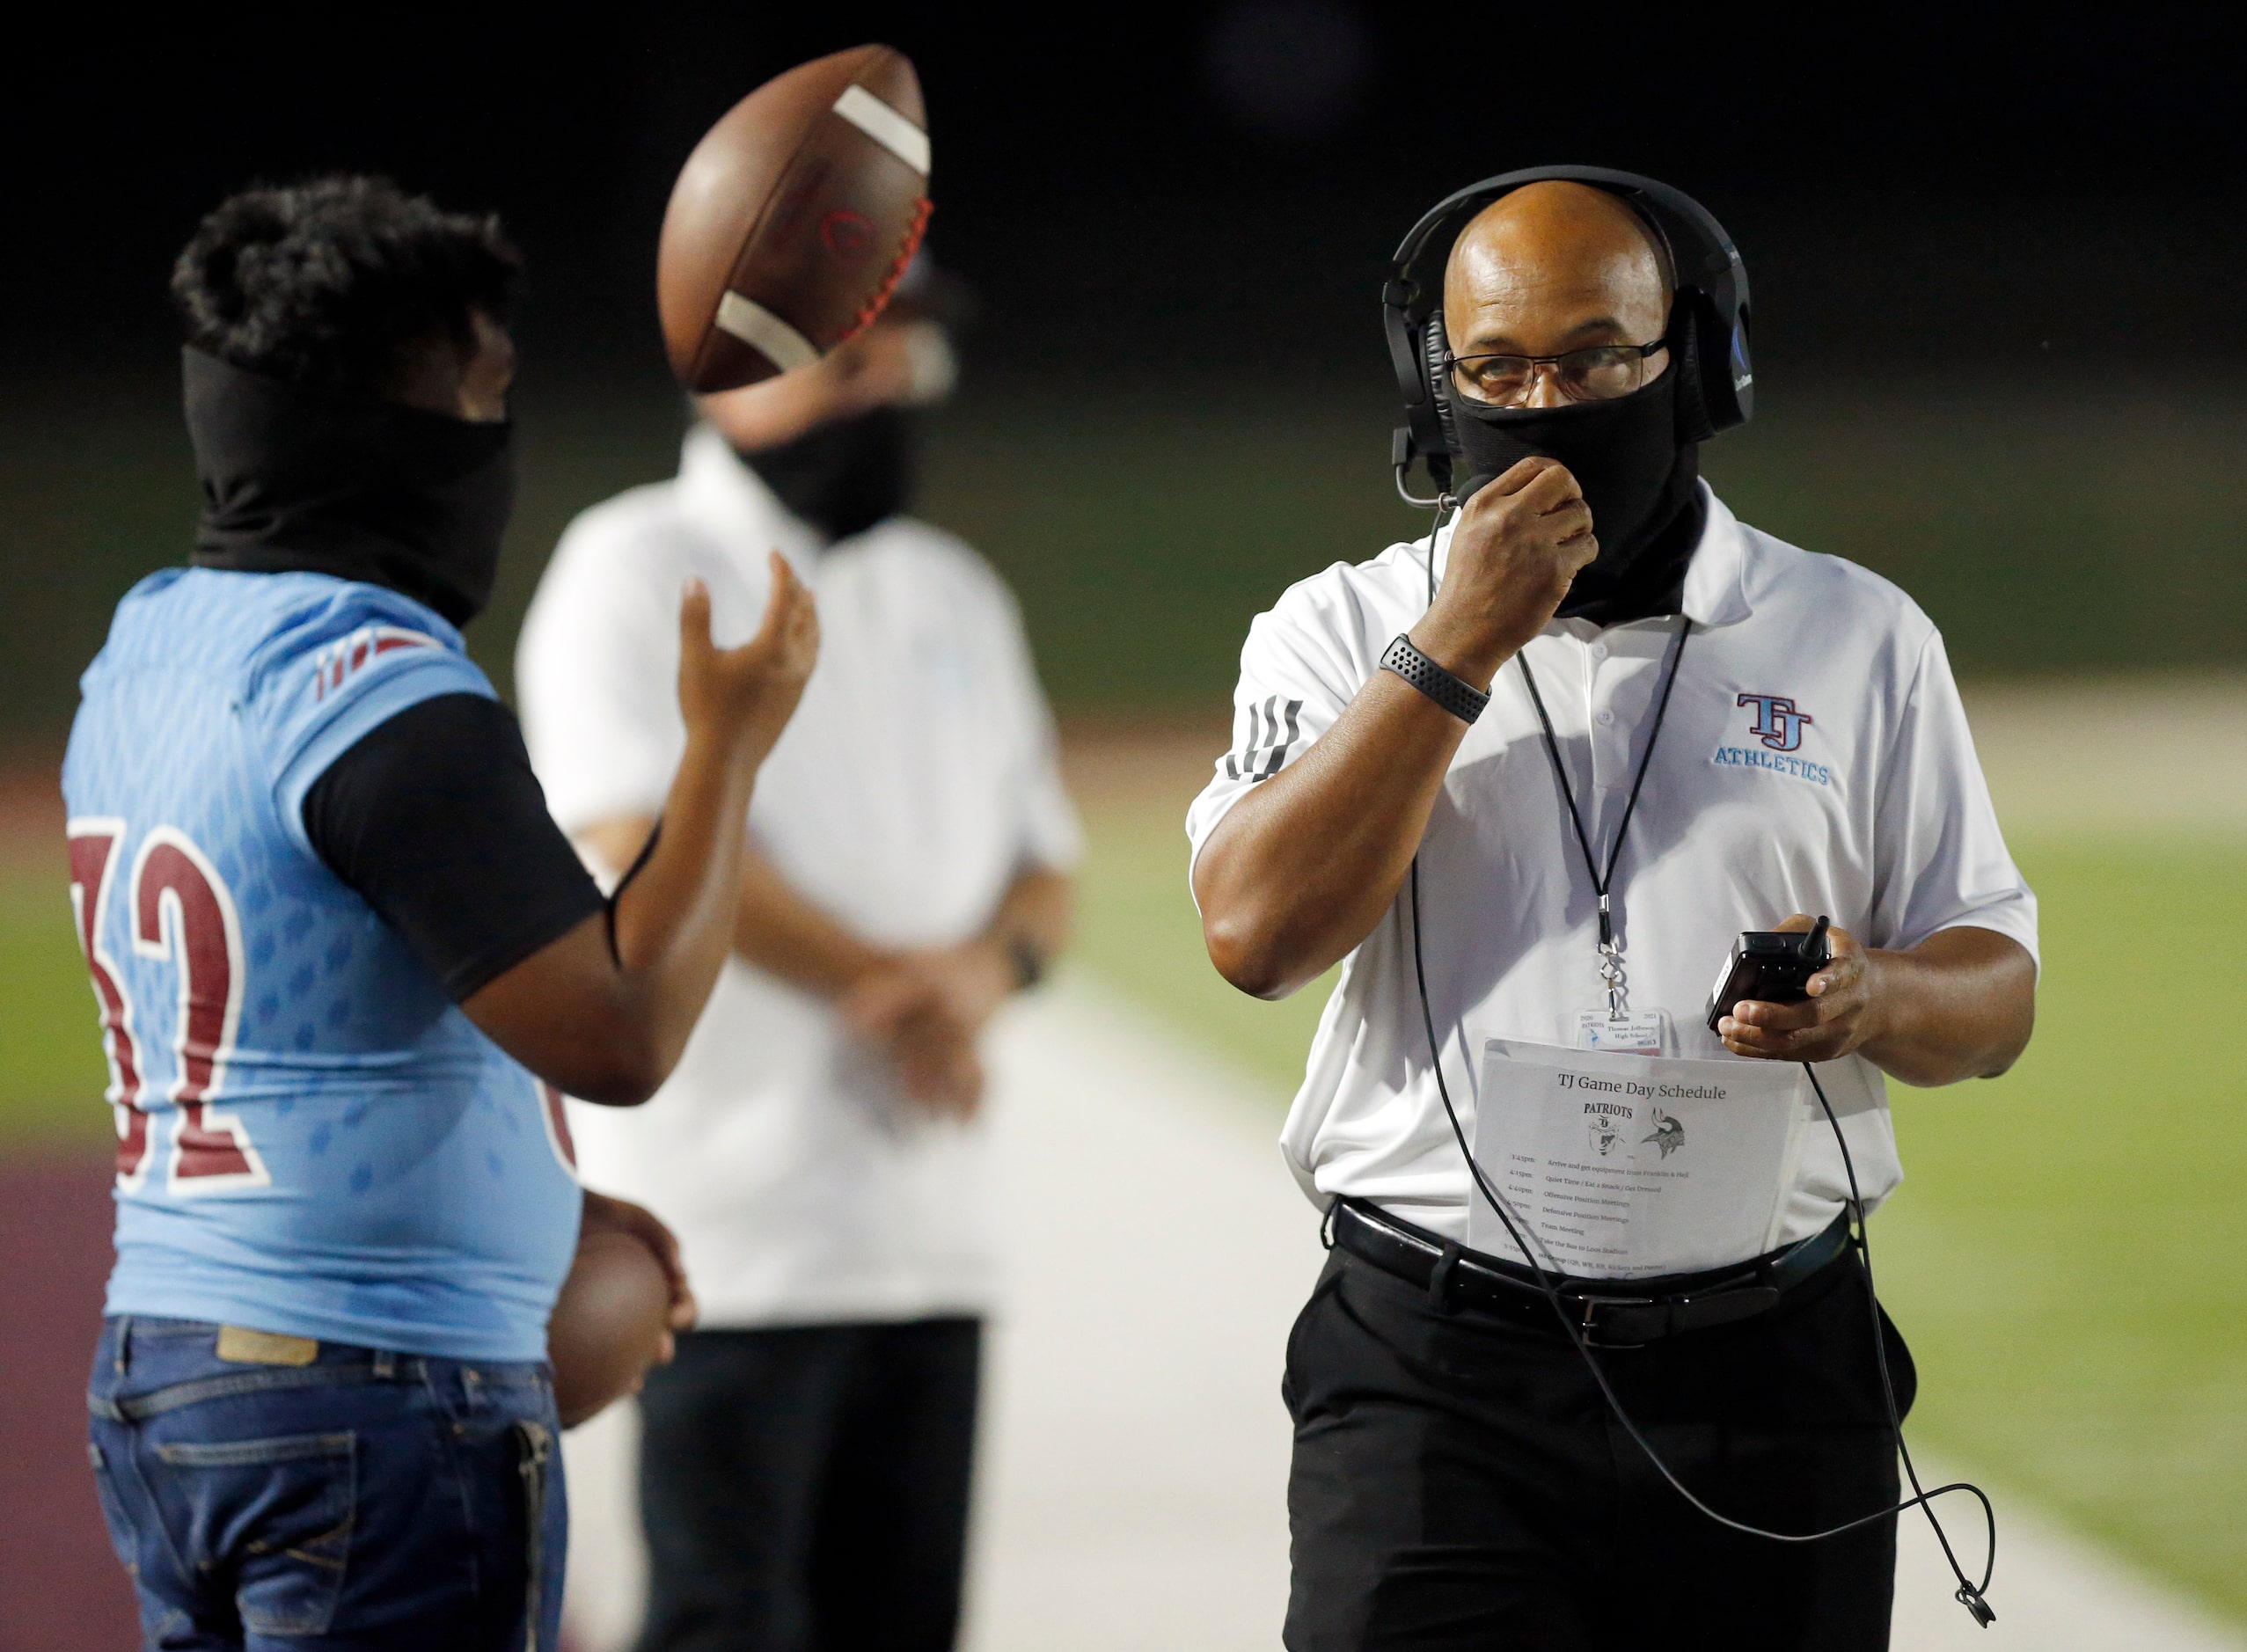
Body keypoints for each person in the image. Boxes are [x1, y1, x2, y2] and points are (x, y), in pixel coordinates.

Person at [1188, 176, 2038, 1649]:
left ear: (1697, 368)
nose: (1542, 400)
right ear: (1430, 387)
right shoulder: (1336, 627)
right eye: (1495, 369)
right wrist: (1457, 638)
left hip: (1771, 1369)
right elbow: (1254, 936)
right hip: (1434, 1374)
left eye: (1594, 359)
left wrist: (1877, 998)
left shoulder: (1855, 632)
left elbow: (1999, 992)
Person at [65, 176, 817, 1650]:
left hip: (165, 1368)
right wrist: (726, 745)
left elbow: (306, 1009)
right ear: (395, 435)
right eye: (484, 393)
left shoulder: (143, 644)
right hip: (362, 1393)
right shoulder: (371, 685)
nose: (499, 436)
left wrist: (520, 1204)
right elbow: (621, 1027)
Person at [516, 259, 1077, 1652]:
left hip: (930, 1225)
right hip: (729, 1225)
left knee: (904, 1622)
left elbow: (1043, 856)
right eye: (856, 361)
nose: (890, 392)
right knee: (727, 1618)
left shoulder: (949, 584)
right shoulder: (634, 559)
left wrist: (975, 979)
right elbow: (625, 821)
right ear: (743, 371)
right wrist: (888, 986)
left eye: (909, 364)